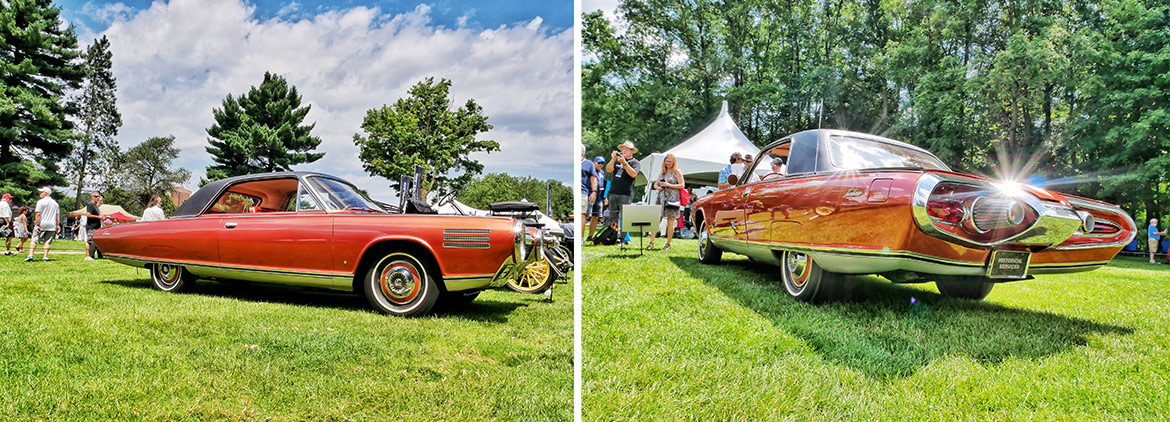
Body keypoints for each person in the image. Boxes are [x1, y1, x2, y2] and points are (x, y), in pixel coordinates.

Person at [604, 141, 640, 242]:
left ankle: (623, 238)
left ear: (631, 151)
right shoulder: (616, 160)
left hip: (626, 193)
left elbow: (633, 174)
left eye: (626, 149)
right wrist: (613, 159)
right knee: (612, 216)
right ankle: (612, 237)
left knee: (625, 217)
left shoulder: (635, 162)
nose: (623, 150)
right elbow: (608, 169)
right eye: (622, 149)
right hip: (614, 192)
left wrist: (624, 163)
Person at [648, 154, 685, 250]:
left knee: (670, 221)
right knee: (657, 219)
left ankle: (668, 243)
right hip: (661, 198)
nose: (668, 163)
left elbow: (682, 185)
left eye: (670, 161)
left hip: (672, 198)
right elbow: (655, 184)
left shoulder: (677, 172)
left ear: (674, 162)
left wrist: (668, 185)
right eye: (666, 161)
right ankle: (651, 242)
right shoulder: (662, 172)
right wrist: (658, 187)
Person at [25, 187, 59, 262]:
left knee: (34, 240)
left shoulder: (40, 202)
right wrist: (57, 225)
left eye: (41, 192)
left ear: (46, 193)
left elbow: (38, 214)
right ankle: (45, 256)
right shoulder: (55, 203)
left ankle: (30, 254)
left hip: (42, 223)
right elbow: (57, 215)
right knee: (47, 241)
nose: (40, 194)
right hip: (52, 224)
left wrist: (37, 224)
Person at [580, 148, 599, 239]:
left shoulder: (589, 164)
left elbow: (593, 179)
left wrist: (594, 192)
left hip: (583, 192)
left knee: (581, 214)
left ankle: (580, 238)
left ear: (582, 152)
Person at [587, 156, 608, 240]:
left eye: (602, 163)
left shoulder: (602, 172)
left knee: (596, 216)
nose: (600, 165)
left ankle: (590, 236)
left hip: (599, 197)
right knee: (587, 215)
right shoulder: (589, 171)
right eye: (599, 163)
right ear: (594, 162)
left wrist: (604, 197)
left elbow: (603, 185)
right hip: (590, 196)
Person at [82, 192, 104, 260]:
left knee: (94, 241)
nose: (97, 197)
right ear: (92, 197)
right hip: (91, 226)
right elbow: (88, 214)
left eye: (98, 196)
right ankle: (88, 256)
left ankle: (93, 255)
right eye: (96, 196)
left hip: (96, 226)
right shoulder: (90, 204)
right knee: (90, 241)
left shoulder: (95, 205)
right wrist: (98, 217)